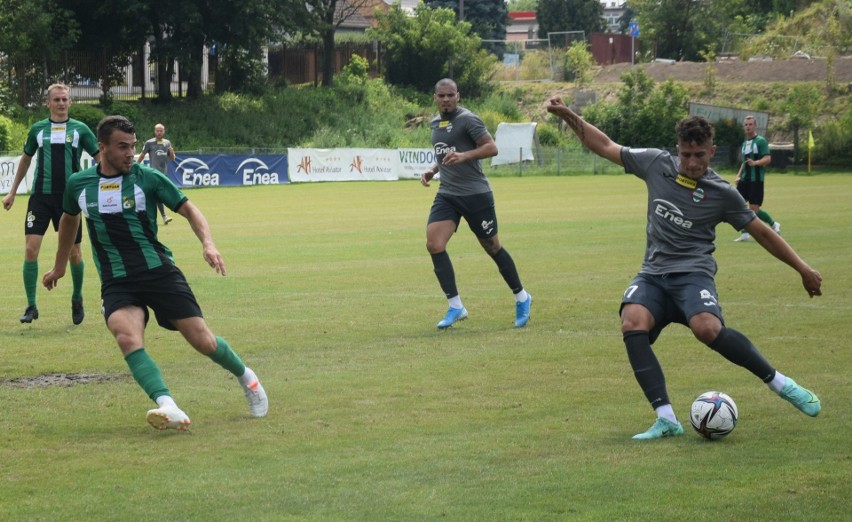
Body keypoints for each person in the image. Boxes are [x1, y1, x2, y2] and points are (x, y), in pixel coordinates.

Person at [546, 96, 822, 440]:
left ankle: (782, 384)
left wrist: (803, 268)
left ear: (712, 151)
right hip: (653, 274)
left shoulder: (722, 193)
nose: (691, 163)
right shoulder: (655, 164)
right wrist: (567, 114)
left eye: (699, 155)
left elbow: (763, 233)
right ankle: (666, 420)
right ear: (677, 150)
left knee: (707, 329)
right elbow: (603, 144)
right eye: (686, 155)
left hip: (693, 276)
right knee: (632, 321)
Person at [42, 115, 268, 431]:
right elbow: (69, 220)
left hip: (159, 272)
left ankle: (249, 379)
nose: (130, 154)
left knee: (202, 340)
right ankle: (167, 404)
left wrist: (208, 243)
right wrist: (60, 265)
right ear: (102, 147)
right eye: (122, 147)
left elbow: (189, 209)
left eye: (133, 147)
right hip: (117, 281)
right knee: (126, 336)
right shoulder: (79, 184)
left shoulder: (147, 178)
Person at [420, 78, 532, 329]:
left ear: (458, 96)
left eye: (450, 95)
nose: (446, 99)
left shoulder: (469, 119)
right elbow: (446, 153)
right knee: (434, 244)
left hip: (475, 194)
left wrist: (465, 156)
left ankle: (522, 297)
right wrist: (432, 170)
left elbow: (492, 148)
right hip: (447, 194)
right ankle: (456, 306)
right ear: (435, 98)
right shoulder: (435, 123)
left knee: (492, 246)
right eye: (441, 96)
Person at [2, 83, 98, 325]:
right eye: (56, 100)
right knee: (30, 250)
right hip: (40, 199)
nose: (61, 103)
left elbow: (100, 159)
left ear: (70, 102)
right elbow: (25, 160)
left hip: (69, 200)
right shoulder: (38, 130)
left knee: (74, 253)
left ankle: (77, 298)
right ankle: (31, 306)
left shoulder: (80, 130)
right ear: (48, 103)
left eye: (65, 99)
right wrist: (12, 192)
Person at [733, 115, 780, 242]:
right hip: (744, 180)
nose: (748, 126)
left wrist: (756, 163)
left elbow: (768, 159)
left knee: (754, 210)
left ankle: (774, 224)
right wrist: (738, 175)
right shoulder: (744, 143)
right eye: (746, 124)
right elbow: (744, 162)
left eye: (750, 124)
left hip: (756, 180)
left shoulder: (761, 141)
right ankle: (745, 234)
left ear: (755, 126)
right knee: (737, 206)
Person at [137, 123, 175, 225]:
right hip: (154, 174)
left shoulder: (167, 143)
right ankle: (163, 216)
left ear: (164, 131)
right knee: (158, 195)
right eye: (157, 131)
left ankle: (156, 216)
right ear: (154, 131)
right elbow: (142, 155)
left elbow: (172, 158)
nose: (159, 132)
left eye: (161, 131)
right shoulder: (149, 143)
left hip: (164, 174)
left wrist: (171, 151)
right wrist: (136, 167)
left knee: (157, 196)